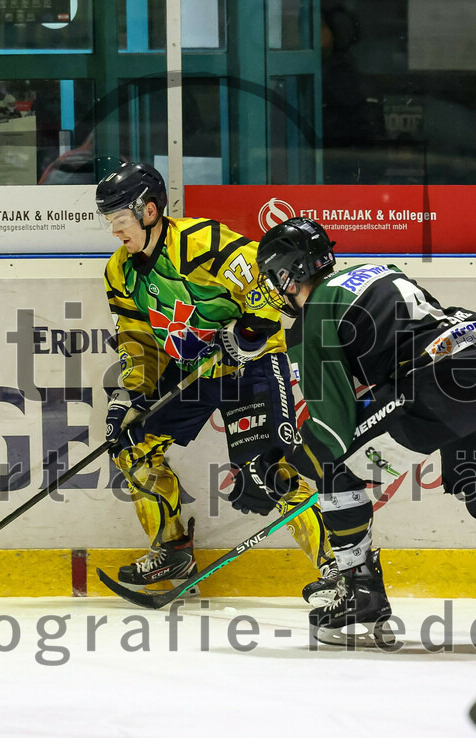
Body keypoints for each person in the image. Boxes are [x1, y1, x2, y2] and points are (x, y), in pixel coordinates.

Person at [243, 216, 476, 646]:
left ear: (289, 274)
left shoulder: (316, 313)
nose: (275, 289)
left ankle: (360, 591)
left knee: (331, 465)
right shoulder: (377, 271)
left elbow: (331, 429)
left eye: (275, 277)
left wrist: (281, 466)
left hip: (436, 384)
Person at [96, 162, 337, 604]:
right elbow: (137, 342)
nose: (115, 232)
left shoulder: (201, 241)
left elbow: (267, 280)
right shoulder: (119, 272)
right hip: (193, 372)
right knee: (133, 447)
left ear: (148, 211)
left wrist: (246, 334)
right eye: (109, 222)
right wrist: (127, 397)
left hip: (252, 366)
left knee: (272, 470)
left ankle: (339, 568)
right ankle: (171, 550)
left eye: (120, 220)